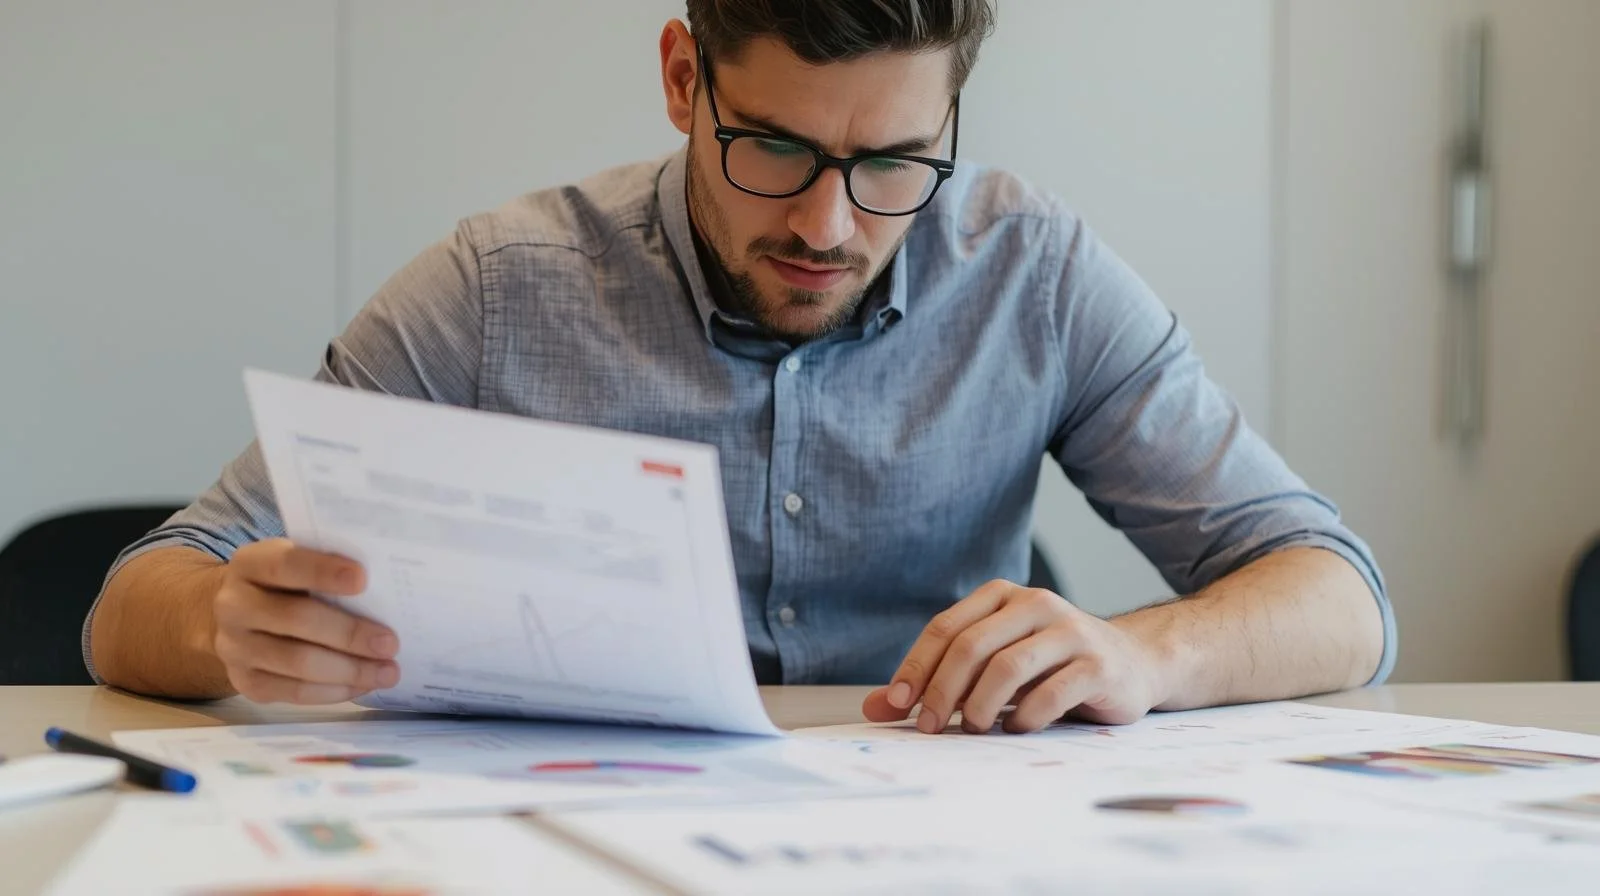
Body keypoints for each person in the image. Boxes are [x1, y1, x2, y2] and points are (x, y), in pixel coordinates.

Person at [86, 0, 1394, 735]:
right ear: (680, 77)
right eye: (772, 149)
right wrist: (223, 625)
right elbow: (135, 599)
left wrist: (1147, 655)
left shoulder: (1032, 273)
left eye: (892, 164)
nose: (826, 225)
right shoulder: (500, 286)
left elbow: (1343, 602)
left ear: (951, 119)